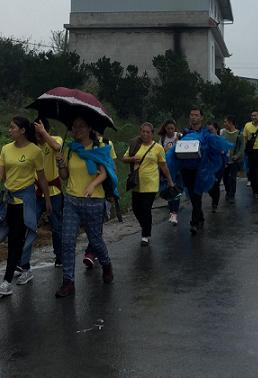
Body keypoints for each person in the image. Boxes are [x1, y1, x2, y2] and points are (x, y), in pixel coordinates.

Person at [0, 117, 50, 296]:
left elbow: (41, 177)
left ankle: (6, 281)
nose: (9, 130)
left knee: (15, 239)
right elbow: (0, 171)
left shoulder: (35, 151)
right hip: (8, 201)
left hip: (25, 202)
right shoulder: (6, 148)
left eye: (12, 127)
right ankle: (26, 268)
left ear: (22, 130)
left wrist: (47, 199)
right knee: (14, 237)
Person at [55, 117, 116, 297]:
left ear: (90, 128)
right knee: (67, 241)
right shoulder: (70, 149)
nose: (76, 130)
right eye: (74, 127)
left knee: (95, 240)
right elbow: (65, 176)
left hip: (94, 200)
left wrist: (92, 185)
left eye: (81, 126)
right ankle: (68, 281)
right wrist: (61, 164)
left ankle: (106, 264)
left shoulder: (99, 148)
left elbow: (104, 173)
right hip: (72, 199)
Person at [17, 118, 64, 272]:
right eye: (35, 134)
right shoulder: (31, 146)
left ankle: (60, 256)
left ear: (47, 131)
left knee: (56, 226)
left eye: (40, 134)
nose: (38, 137)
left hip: (54, 192)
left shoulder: (55, 140)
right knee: (29, 226)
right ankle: (23, 261)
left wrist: (43, 132)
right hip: (36, 193)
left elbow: (57, 147)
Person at [124, 122, 175, 246]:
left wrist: (170, 181)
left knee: (146, 209)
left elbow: (163, 166)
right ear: (140, 132)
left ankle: (145, 235)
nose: (145, 134)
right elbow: (124, 158)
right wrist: (132, 159)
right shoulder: (135, 144)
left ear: (152, 134)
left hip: (151, 184)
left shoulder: (158, 148)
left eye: (147, 132)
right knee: (136, 209)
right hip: (137, 184)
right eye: (143, 131)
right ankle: (145, 226)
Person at [82, 131, 119, 270]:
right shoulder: (83, 144)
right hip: (86, 189)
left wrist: (113, 188)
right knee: (91, 224)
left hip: (104, 189)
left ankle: (90, 253)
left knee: (98, 223)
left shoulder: (107, 143)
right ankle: (95, 251)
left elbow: (112, 166)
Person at [208, 115, 243, 210]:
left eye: (225, 122)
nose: (224, 124)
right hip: (222, 162)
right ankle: (228, 192)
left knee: (232, 178)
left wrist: (236, 156)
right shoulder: (222, 133)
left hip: (232, 161)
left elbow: (241, 147)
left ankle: (231, 195)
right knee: (225, 179)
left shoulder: (238, 134)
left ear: (230, 122)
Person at [158, 119, 181, 225]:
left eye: (172, 128)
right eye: (168, 128)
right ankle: (172, 210)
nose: (170, 130)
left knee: (176, 189)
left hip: (178, 168)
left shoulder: (179, 136)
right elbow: (160, 153)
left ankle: (174, 211)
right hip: (166, 168)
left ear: (175, 128)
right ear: (165, 129)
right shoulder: (162, 139)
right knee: (168, 189)